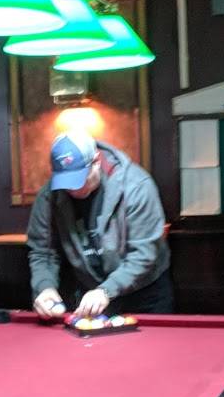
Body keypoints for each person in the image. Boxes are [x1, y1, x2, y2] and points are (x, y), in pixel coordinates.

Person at [27, 129, 172, 319]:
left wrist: (106, 290)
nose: (72, 188)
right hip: (93, 292)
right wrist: (45, 287)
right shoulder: (49, 196)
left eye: (79, 178)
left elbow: (144, 255)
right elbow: (43, 252)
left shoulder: (136, 186)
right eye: (66, 181)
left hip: (145, 293)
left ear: (96, 160)